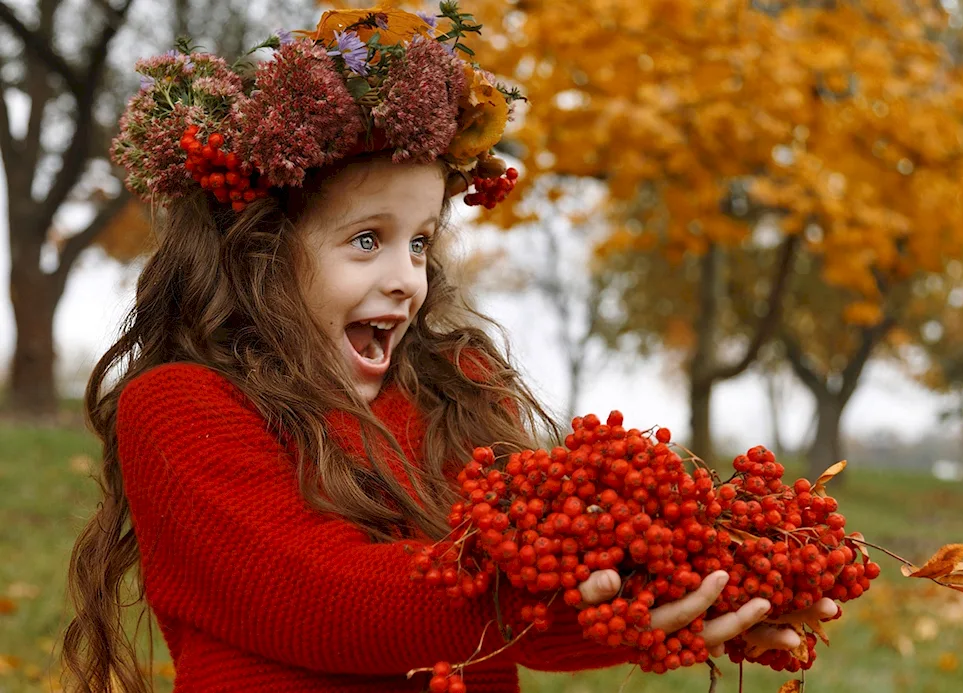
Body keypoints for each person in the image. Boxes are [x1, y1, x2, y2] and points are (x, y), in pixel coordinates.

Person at [60, 5, 837, 692]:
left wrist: (678, 589)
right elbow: (326, 601)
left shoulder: (452, 390)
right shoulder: (182, 408)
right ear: (258, 253)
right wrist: (581, 588)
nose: (408, 278)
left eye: (422, 241)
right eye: (368, 240)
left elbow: (514, 604)